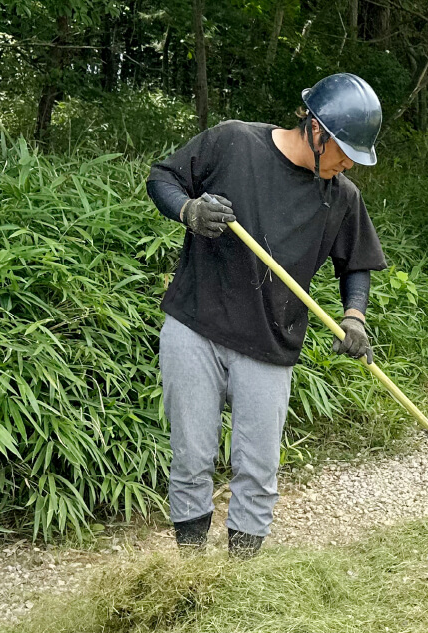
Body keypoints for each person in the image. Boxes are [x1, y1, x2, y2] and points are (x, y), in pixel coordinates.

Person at [146, 73, 387, 558]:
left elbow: (356, 264)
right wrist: (189, 211)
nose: (346, 165)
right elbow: (162, 178)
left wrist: (354, 318)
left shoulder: (341, 197)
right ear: (316, 130)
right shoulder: (234, 142)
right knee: (192, 457)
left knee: (257, 469)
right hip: (195, 325)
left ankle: (239, 577)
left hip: (270, 341)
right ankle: (189, 569)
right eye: (343, 151)